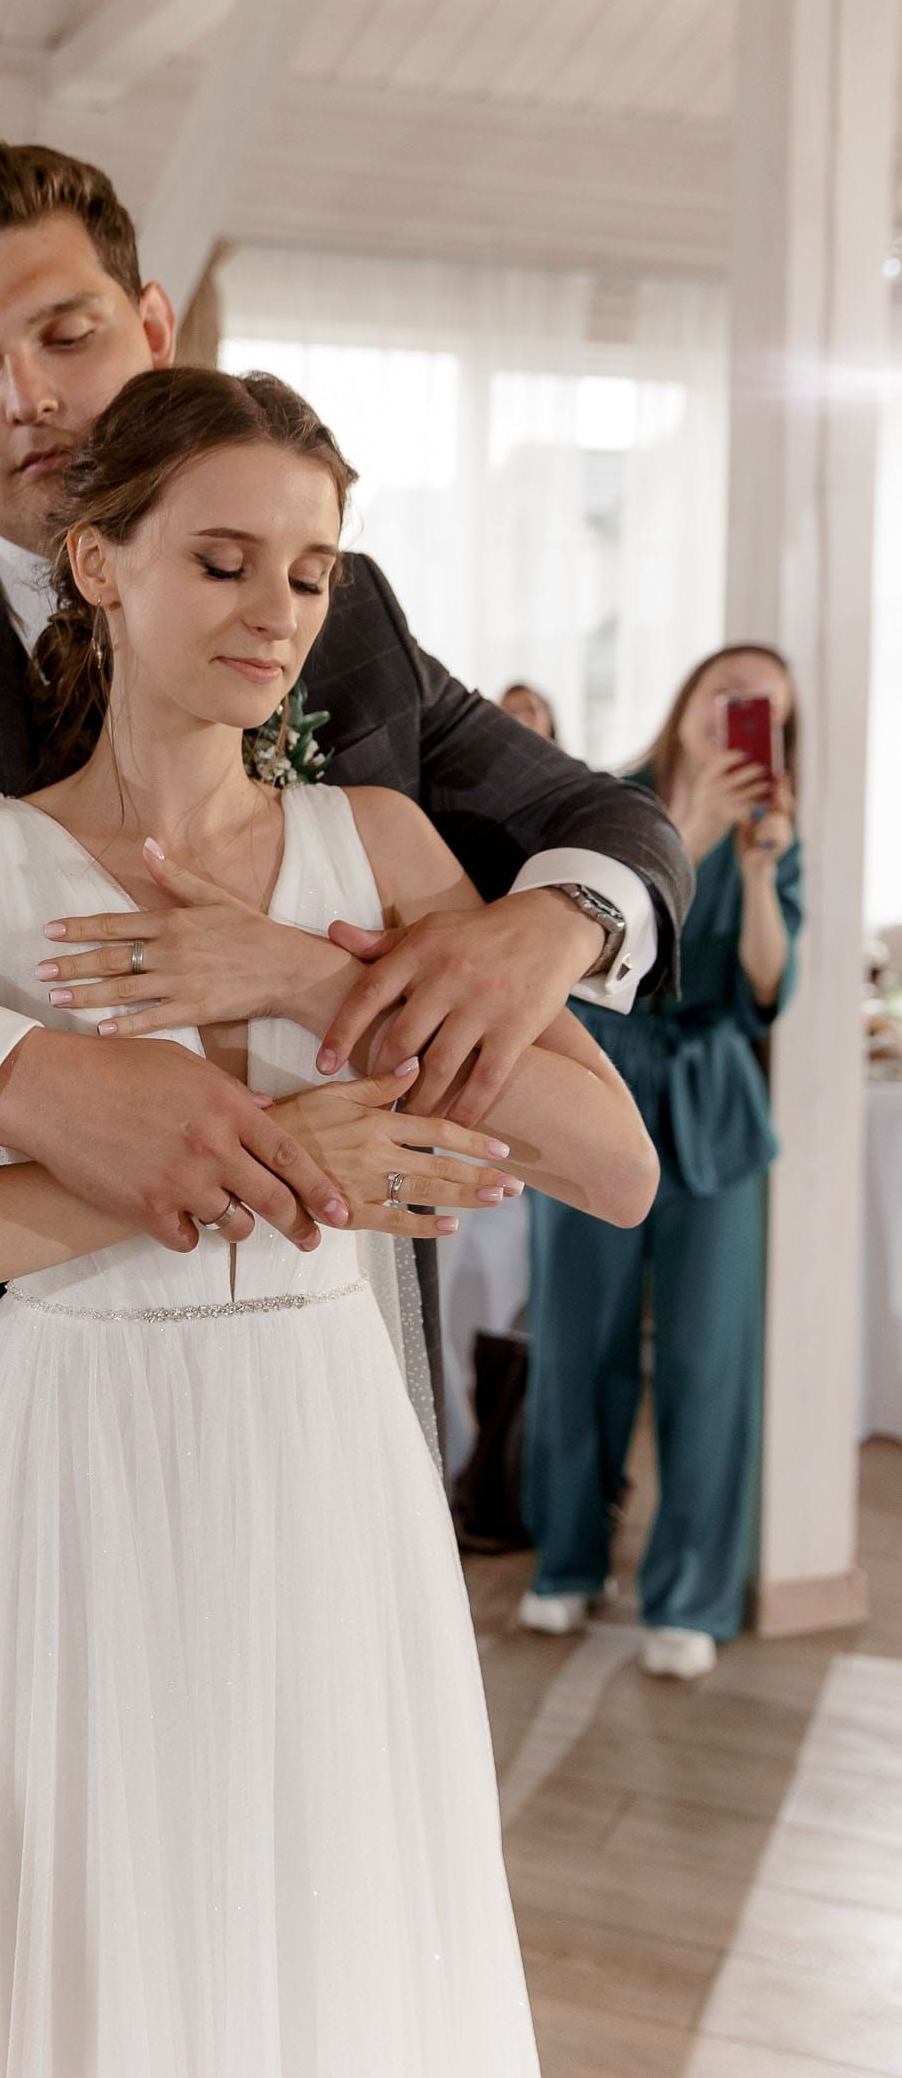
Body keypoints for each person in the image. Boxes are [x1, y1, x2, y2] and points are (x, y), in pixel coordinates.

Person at [0, 134, 693, 1830]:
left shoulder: (333, 613)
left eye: (69, 333)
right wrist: (39, 1088)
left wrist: (539, 932)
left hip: (275, 1430)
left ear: (153, 322)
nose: (28, 395)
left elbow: (593, 821)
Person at [0, 367, 658, 2074]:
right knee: (69, 1957)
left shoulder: (375, 847)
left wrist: (315, 971)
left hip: (324, 1456)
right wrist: (268, 1148)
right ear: (97, 562)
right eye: (225, 560)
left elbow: (611, 1162)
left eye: (311, 573)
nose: (277, 613)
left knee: (312, 1936)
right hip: (61, 1452)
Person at [519, 644, 802, 1679]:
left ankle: (691, 1593)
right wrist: (700, 832)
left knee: (706, 1358)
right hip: (599, 1079)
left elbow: (768, 989)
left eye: (765, 711)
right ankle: (566, 1561)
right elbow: (593, 944)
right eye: (729, 693)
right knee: (574, 1335)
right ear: (689, 701)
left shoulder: (776, 830)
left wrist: (761, 873)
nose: (742, 715)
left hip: (716, 1103)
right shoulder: (611, 805)